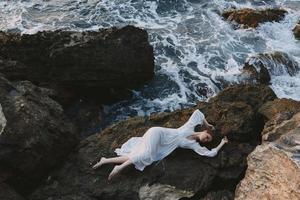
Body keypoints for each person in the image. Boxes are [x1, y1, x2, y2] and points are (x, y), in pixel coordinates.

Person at [92, 109, 228, 180]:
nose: (206, 139)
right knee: (147, 155)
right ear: (205, 131)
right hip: (158, 133)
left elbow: (211, 153)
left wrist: (221, 143)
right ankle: (119, 168)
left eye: (207, 141)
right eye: (207, 136)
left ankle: (105, 160)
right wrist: (208, 124)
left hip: (160, 144)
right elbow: (198, 113)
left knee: (137, 155)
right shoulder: (190, 126)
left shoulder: (193, 145)